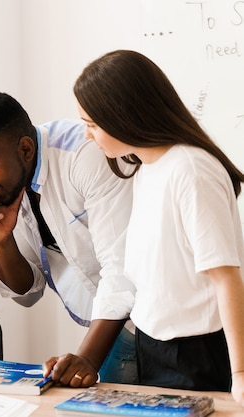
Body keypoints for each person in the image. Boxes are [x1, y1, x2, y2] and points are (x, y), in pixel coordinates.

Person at [46, 49, 244, 406]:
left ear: (122, 115)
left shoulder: (191, 170)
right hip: (153, 347)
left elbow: (225, 277)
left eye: (91, 123)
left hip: (197, 352)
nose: (87, 136)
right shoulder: (146, 167)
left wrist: (241, 373)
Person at [0, 91, 137, 384]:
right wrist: (2, 242)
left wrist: (87, 358)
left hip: (158, 319)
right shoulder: (11, 186)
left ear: (26, 150)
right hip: (112, 322)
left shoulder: (84, 156)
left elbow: (122, 269)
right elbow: (28, 292)